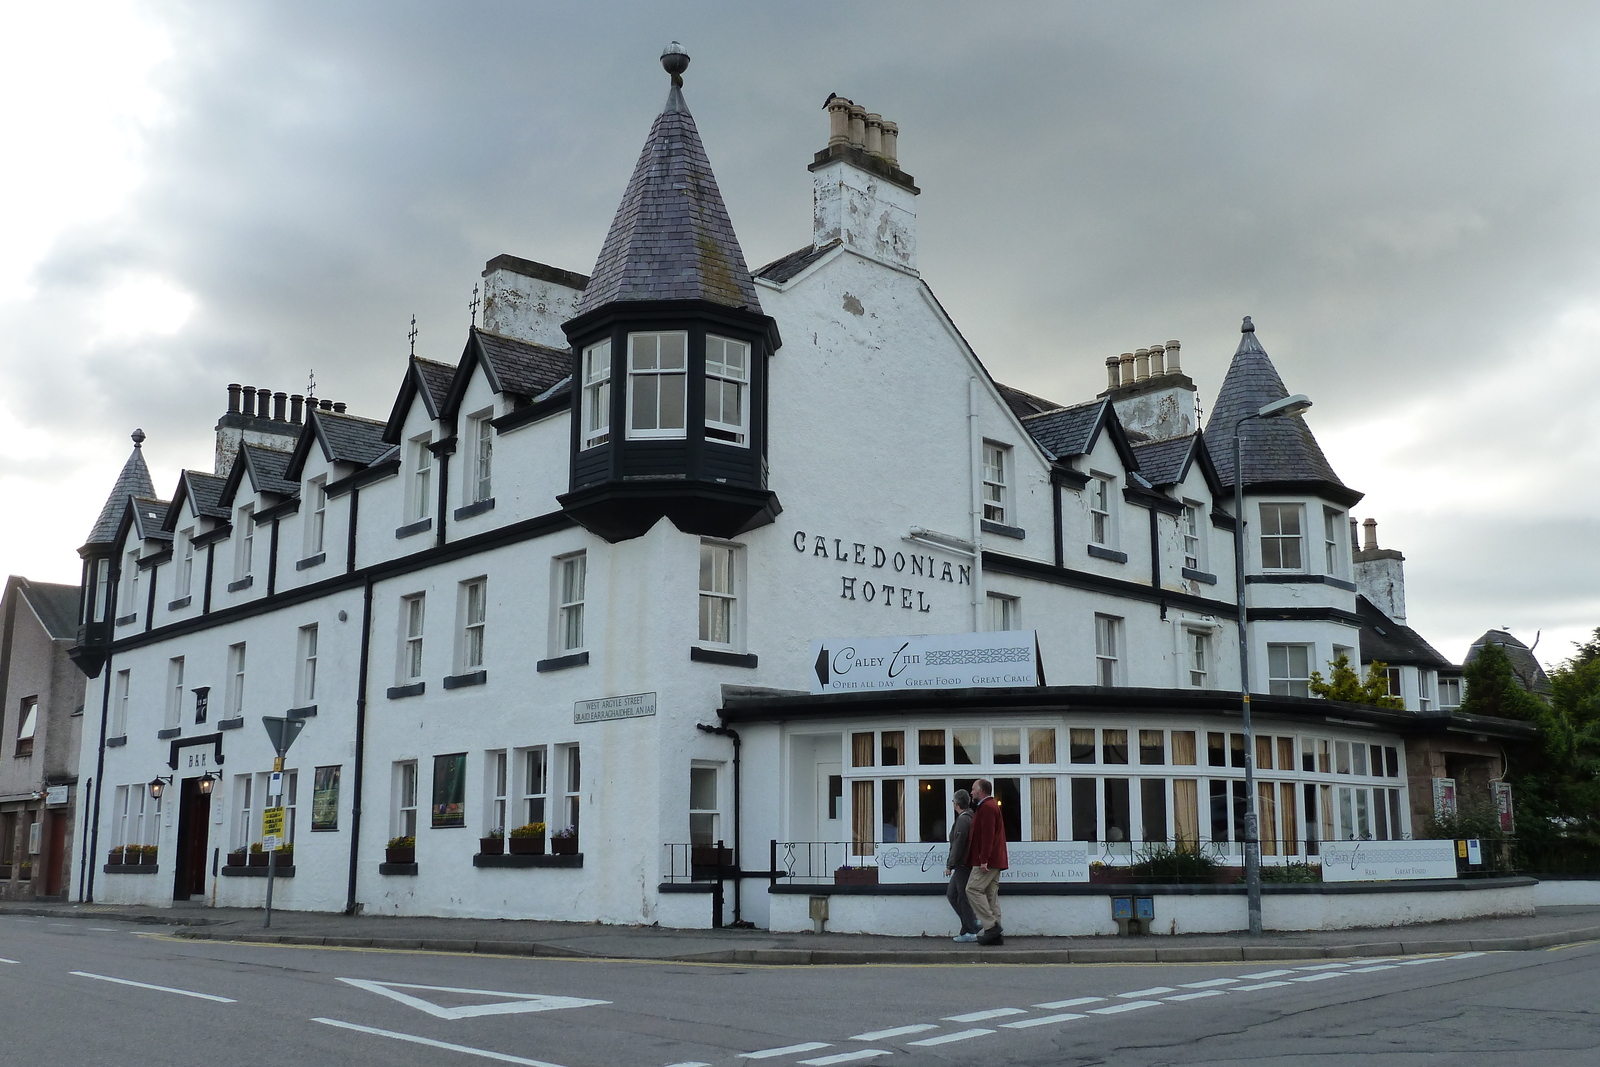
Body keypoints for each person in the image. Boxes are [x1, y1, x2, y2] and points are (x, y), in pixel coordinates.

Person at [964, 777, 1008, 945]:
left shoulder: (987, 808)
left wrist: (984, 860)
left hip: (987, 861)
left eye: (973, 789)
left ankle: (991, 927)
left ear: (981, 791)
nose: (972, 792)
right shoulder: (990, 806)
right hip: (995, 859)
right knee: (990, 895)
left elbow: (987, 836)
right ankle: (995, 936)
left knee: (972, 889)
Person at [944, 789, 980, 942]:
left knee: (962, 897)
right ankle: (972, 923)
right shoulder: (970, 817)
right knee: (952, 894)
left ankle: (969, 931)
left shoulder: (963, 820)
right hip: (964, 863)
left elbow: (958, 844)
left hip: (962, 864)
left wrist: (950, 865)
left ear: (957, 803)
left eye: (953, 802)